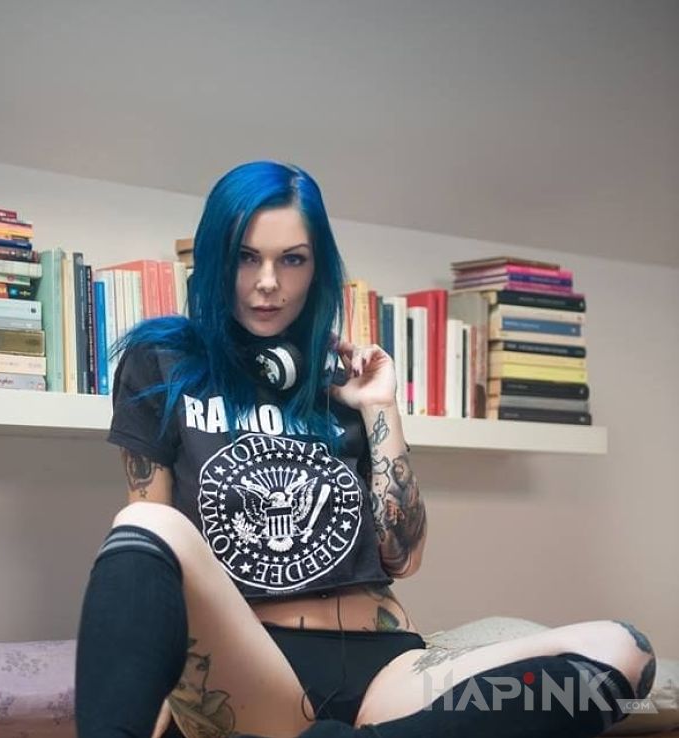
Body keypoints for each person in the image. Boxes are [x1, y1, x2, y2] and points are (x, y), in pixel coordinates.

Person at [75, 161, 656, 738]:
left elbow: (402, 556)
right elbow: (152, 559)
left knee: (621, 653)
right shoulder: (162, 364)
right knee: (145, 522)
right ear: (214, 260)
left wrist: (380, 405)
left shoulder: (346, 376)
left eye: (292, 259)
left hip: (387, 667)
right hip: (255, 669)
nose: (267, 282)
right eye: (246, 257)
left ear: (317, 268)